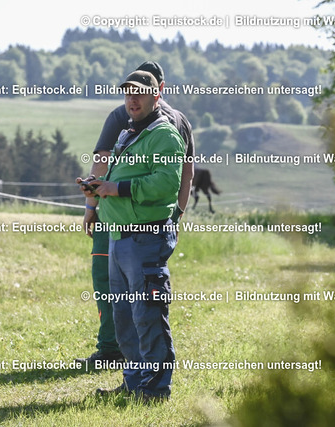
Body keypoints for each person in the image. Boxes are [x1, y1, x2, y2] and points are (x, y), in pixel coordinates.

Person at [76, 62, 194, 366]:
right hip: (150, 223)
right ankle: (135, 374)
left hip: (129, 228)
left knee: (122, 294)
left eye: (140, 92)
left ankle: (116, 354)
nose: (133, 99)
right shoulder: (176, 120)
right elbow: (187, 175)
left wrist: (92, 208)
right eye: (129, 92)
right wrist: (176, 216)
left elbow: (104, 161)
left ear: (157, 92)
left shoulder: (134, 120)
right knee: (138, 301)